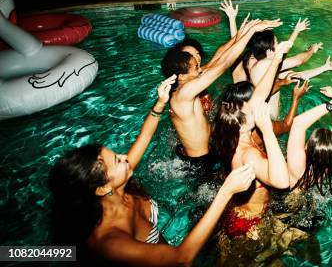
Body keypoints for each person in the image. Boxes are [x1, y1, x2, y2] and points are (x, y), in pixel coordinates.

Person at [48, 76, 257, 266]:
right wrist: (226, 191)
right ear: (102, 188)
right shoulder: (110, 241)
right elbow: (182, 258)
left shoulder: (119, 183)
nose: (124, 157)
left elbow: (145, 136)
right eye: (116, 160)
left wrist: (160, 103)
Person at [161, 17, 282, 185]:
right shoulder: (183, 94)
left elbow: (219, 58)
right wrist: (250, 33)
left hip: (207, 148)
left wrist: (246, 31)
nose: (200, 69)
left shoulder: (187, 84)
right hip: (199, 161)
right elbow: (224, 64)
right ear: (181, 77)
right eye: (196, 68)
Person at [213, 41, 294, 262]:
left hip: (237, 214)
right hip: (249, 226)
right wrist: (267, 129)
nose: (260, 104)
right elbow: (281, 181)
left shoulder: (230, 136)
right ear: (242, 118)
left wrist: (277, 58)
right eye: (253, 105)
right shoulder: (249, 153)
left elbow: (260, 94)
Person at [286, 86, 332, 194]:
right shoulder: (327, 160)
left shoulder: (298, 165)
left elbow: (298, 123)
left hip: (289, 198)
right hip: (310, 191)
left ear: (307, 147)